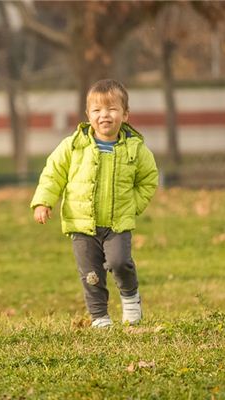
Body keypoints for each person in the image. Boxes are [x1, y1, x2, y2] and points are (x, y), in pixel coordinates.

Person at [30, 79, 158, 328]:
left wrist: (132, 206)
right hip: (81, 224)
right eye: (97, 110)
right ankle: (100, 317)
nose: (105, 115)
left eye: (112, 109)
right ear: (88, 115)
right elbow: (53, 174)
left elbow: (149, 180)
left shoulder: (135, 149)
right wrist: (43, 202)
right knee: (91, 274)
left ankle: (131, 300)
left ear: (125, 114)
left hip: (118, 223)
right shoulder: (74, 146)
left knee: (120, 263)